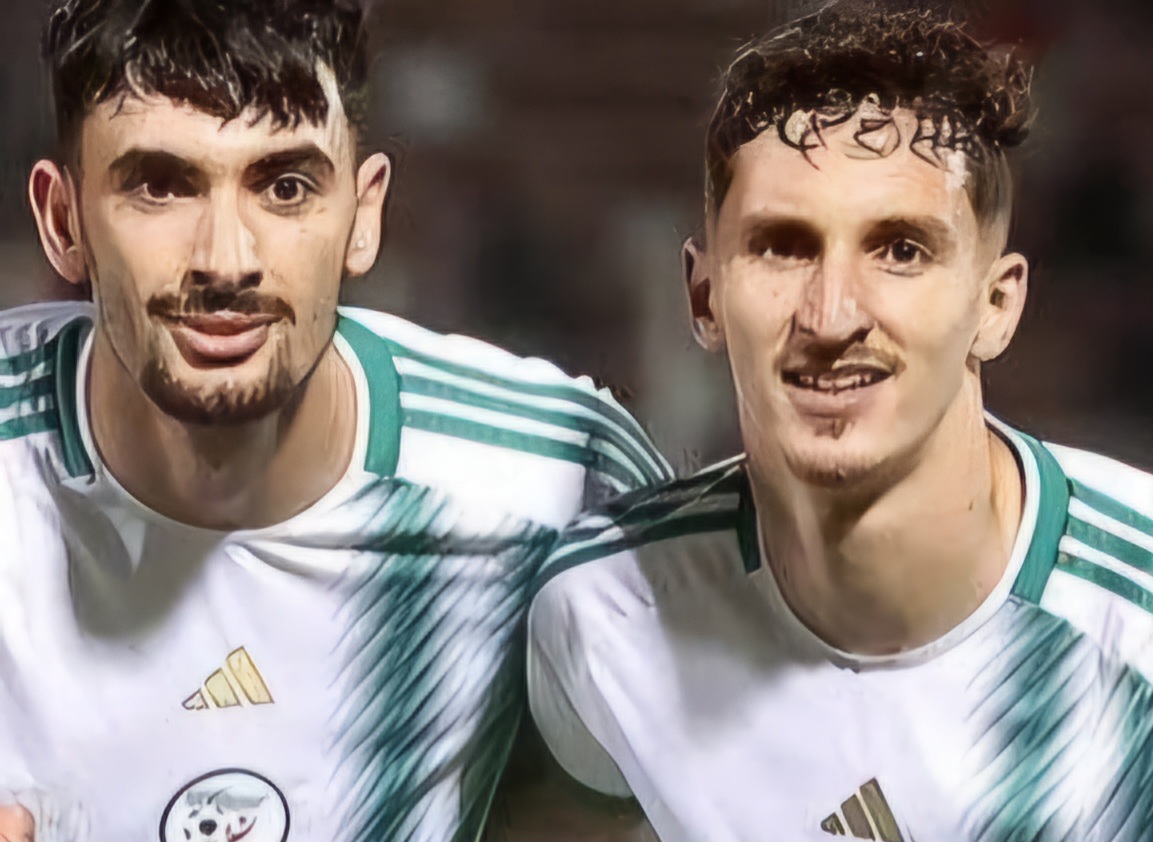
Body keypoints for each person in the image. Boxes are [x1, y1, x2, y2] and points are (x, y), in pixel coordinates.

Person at [0, 0, 671, 839]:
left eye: (285, 187)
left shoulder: (558, 478)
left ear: (364, 213)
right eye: (160, 186)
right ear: (63, 221)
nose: (226, 260)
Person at [527, 5, 1153, 841]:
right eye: (782, 246)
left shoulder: (1134, 617)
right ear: (703, 297)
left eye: (900, 250)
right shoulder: (603, 611)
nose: (831, 316)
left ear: (996, 304)